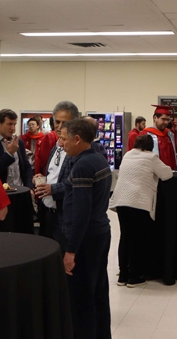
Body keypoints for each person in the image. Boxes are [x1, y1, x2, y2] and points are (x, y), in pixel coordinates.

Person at [60, 119, 112, 339]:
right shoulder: (98, 158)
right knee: (98, 292)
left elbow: (81, 212)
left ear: (77, 139)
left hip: (86, 238)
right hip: (100, 232)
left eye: (64, 139)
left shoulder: (82, 165)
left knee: (81, 298)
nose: (61, 144)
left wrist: (71, 250)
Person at [109, 135, 173, 287]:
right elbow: (167, 174)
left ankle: (122, 275)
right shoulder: (151, 157)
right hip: (139, 201)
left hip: (121, 201)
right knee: (139, 240)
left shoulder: (127, 155)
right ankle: (135, 276)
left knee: (125, 237)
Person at [34, 101, 79, 247]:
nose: (59, 126)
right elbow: (55, 175)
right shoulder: (55, 148)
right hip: (48, 214)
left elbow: (78, 183)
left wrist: (53, 189)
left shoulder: (78, 150)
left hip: (65, 216)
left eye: (64, 122)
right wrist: (42, 179)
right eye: (57, 122)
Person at [0, 109, 33, 188]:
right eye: (9, 124)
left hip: (20, 190)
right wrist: (8, 154)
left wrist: (29, 187)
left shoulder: (18, 141)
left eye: (14, 124)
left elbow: (26, 166)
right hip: (1, 192)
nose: (13, 128)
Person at [140, 105, 177, 170]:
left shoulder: (170, 134)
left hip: (171, 171)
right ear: (155, 118)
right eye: (163, 119)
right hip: (153, 173)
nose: (166, 122)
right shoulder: (145, 134)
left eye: (168, 120)